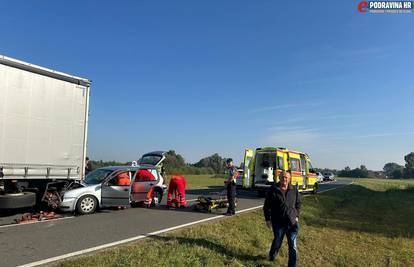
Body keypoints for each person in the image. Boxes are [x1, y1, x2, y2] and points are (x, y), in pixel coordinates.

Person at [263, 171, 302, 266]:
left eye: (286, 177)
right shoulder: (273, 189)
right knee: (277, 242)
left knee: (292, 246)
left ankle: (292, 265)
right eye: (282, 177)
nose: (284, 179)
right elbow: (266, 206)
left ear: (289, 179)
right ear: (279, 178)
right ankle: (272, 256)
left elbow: (298, 204)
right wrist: (268, 220)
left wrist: (297, 216)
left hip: (292, 223)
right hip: (278, 222)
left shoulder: (294, 189)